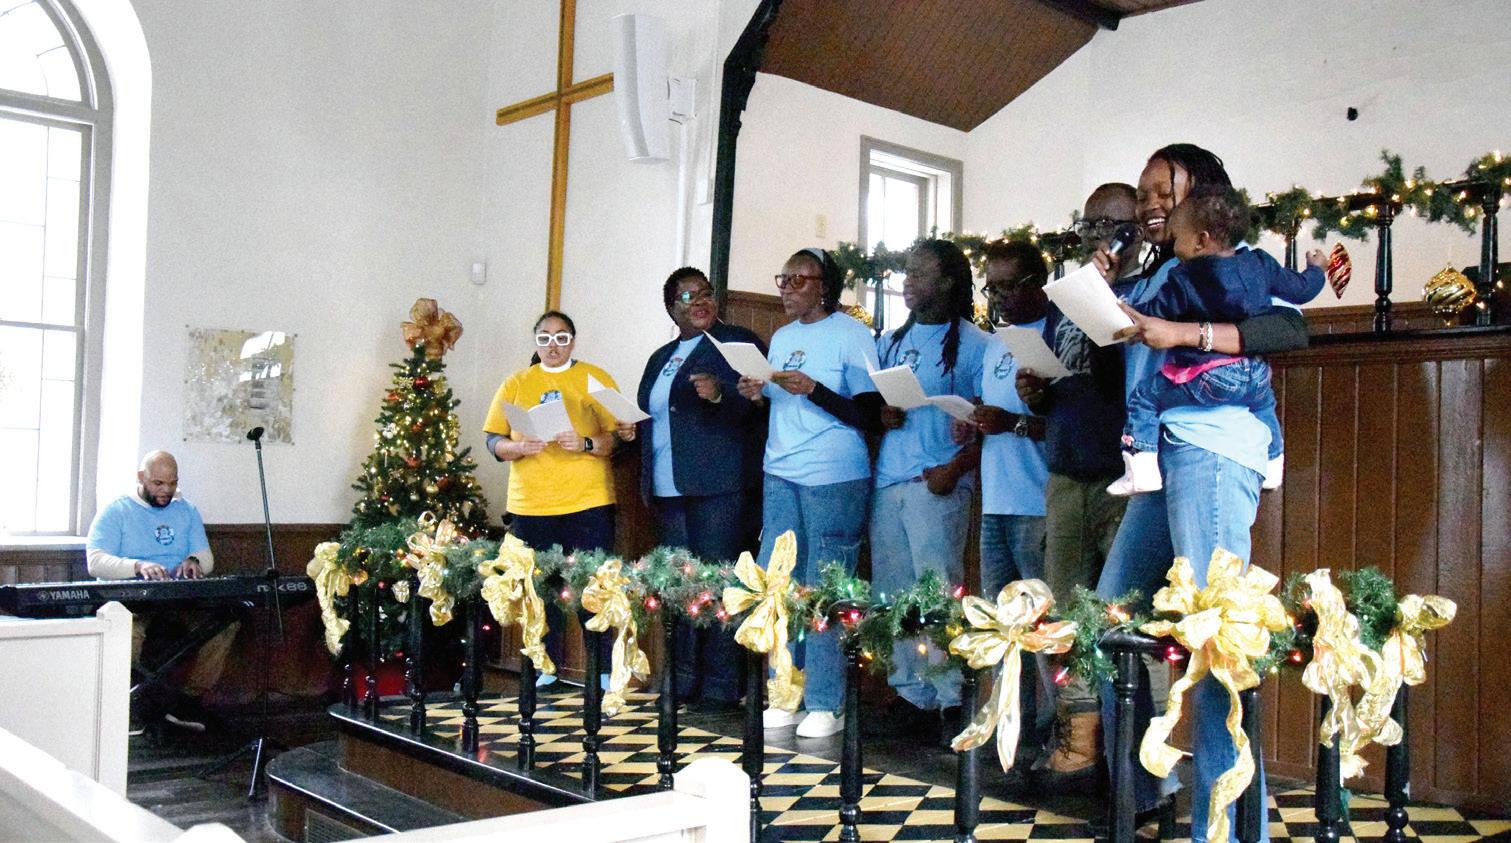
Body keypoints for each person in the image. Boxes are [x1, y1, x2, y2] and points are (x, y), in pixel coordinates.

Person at [1092, 143, 1311, 843]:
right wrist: (1104, 291)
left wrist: (1181, 332)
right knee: (1109, 622)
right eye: (1143, 193)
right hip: (1167, 456)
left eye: (1166, 190)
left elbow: (1289, 328)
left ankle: (1229, 829)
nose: (1151, 204)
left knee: (1218, 636)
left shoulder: (1235, 258)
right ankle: (1146, 788)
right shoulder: (1159, 270)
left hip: (1214, 450)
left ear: (1203, 198)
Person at [1011, 183, 1142, 787]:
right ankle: (1078, 735)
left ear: (1136, 228)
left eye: (1110, 224)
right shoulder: (1065, 298)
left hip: (1122, 474)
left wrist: (1105, 302)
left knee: (1122, 615)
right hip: (1065, 471)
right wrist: (1038, 392)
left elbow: (1122, 383)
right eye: (1090, 225)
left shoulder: (1146, 291)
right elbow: (1069, 385)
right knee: (1063, 611)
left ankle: (1129, 750)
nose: (1098, 236)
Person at [736, 247, 882, 739]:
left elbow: (869, 414)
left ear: (825, 287)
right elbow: (782, 404)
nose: (787, 289)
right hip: (780, 472)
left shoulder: (851, 334)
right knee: (782, 584)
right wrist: (758, 395)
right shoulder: (781, 337)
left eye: (799, 280)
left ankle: (826, 701)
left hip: (833, 475)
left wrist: (815, 390)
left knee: (825, 587)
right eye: (783, 279)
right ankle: (787, 693)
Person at [1107, 187, 1324, 496]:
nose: (1173, 245)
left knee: (1145, 397)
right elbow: (1302, 290)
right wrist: (1316, 270)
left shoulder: (1183, 277)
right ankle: (1273, 464)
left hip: (1207, 377)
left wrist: (1117, 306)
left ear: (1201, 240)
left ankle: (1142, 470)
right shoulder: (1261, 263)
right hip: (1254, 373)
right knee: (1265, 405)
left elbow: (1151, 315)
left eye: (1177, 237)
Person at [869, 239, 991, 742]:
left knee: (936, 590)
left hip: (938, 481)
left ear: (948, 282)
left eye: (919, 274)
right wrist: (884, 414)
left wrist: (958, 465)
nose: (908, 282)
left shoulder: (975, 344)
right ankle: (909, 693)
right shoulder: (891, 340)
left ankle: (949, 698)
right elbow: (879, 403)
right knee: (894, 592)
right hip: (889, 479)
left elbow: (988, 421)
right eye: (907, 273)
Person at [634, 267, 767, 713]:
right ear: (672, 308)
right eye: (688, 296)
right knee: (681, 586)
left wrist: (720, 395)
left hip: (719, 486)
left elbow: (761, 403)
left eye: (706, 293)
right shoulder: (661, 356)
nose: (700, 301)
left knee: (719, 583)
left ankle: (722, 684)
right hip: (668, 487)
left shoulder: (737, 343)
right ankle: (682, 678)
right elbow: (651, 410)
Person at [482, 311, 634, 688]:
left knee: (592, 586)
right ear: (536, 341)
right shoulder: (517, 382)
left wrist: (584, 442)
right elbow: (493, 440)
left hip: (587, 499)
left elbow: (619, 438)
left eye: (562, 337)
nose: (553, 345)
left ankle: (601, 668)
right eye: (545, 337)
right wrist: (519, 447)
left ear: (573, 341)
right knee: (540, 590)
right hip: (531, 503)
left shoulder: (594, 378)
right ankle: (544, 665)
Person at [968, 239, 1053, 757]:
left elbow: (1066, 424)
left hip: (1038, 504)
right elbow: (993, 409)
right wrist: (975, 421)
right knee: (1001, 626)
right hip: (996, 502)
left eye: (1006, 287)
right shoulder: (996, 343)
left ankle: (1055, 731)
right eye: (991, 288)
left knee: (1043, 628)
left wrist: (1014, 424)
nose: (997, 298)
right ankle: (1009, 728)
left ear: (1037, 283)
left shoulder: (1055, 336)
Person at [87, 450, 227, 733]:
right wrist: (138, 566)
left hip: (177, 601)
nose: (166, 490)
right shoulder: (117, 510)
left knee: (223, 628)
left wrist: (194, 561)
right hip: (132, 603)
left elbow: (206, 558)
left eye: (172, 483)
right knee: (126, 635)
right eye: (158, 483)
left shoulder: (186, 510)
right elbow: (96, 561)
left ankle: (185, 701)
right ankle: (124, 707)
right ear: (141, 477)